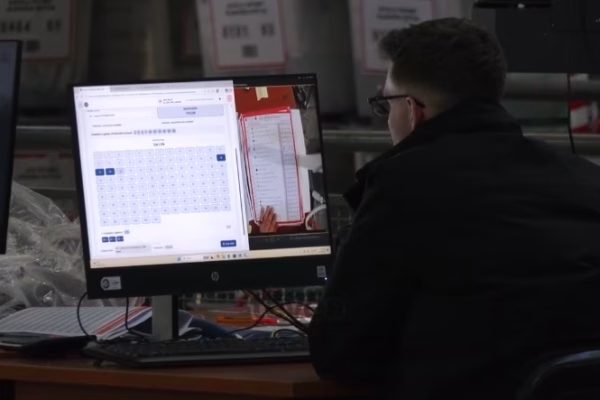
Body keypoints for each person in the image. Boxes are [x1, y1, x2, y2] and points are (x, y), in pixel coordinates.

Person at [308, 18, 600, 400]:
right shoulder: (585, 178)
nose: (387, 119)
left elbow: (338, 352)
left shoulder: (404, 185)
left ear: (412, 110)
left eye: (384, 104)